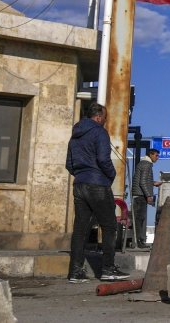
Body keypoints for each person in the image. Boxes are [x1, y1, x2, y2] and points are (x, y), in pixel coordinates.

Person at [65, 103, 130, 283]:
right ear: (99, 117)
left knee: (80, 229)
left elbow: (68, 164)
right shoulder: (99, 132)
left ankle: (75, 272)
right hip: (98, 184)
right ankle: (108, 268)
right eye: (105, 118)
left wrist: (82, 175)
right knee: (109, 226)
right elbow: (103, 159)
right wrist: (111, 175)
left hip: (79, 185)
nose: (106, 122)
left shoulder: (75, 136)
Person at [130, 148, 161, 248]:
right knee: (140, 219)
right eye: (156, 155)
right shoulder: (147, 165)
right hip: (141, 195)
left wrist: (153, 183)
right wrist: (148, 195)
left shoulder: (143, 163)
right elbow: (142, 182)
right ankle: (139, 242)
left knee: (139, 219)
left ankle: (138, 241)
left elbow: (143, 180)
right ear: (151, 155)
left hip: (138, 194)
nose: (157, 158)